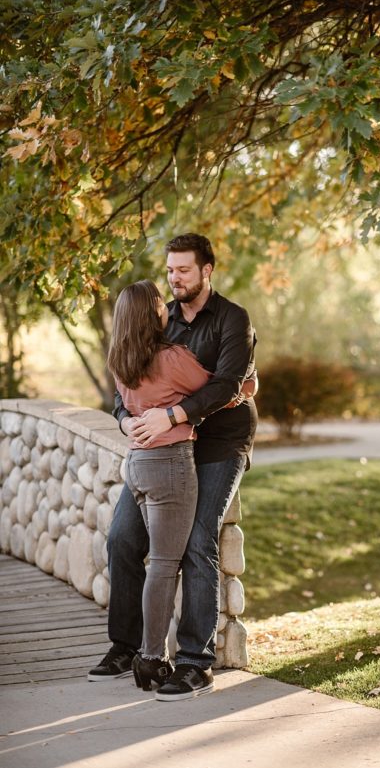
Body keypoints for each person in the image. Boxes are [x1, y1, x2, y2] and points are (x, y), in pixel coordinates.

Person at [88, 233, 257, 702]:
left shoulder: (232, 319)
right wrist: (128, 424)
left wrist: (174, 414)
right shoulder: (162, 324)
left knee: (199, 538)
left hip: (220, 443)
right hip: (160, 448)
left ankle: (193, 662)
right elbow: (131, 385)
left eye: (184, 270)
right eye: (170, 271)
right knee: (122, 537)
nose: (175, 278)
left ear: (207, 270)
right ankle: (128, 647)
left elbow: (226, 386)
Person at [106, 280, 211, 691]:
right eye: (158, 301)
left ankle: (142, 652)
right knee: (165, 565)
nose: (165, 304)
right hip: (169, 464)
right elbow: (218, 388)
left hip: (136, 464)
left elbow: (129, 405)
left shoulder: (120, 360)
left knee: (157, 563)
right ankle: (150, 658)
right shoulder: (172, 358)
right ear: (152, 311)